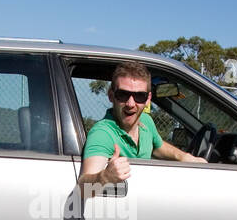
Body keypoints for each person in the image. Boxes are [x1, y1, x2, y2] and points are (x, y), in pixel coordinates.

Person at [78, 61, 206, 189]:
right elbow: (83, 189)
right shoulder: (102, 134)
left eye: (139, 96)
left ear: (148, 98)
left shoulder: (146, 121)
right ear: (111, 96)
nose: (131, 104)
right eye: (123, 94)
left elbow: (157, 146)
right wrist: (105, 177)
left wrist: (184, 157)